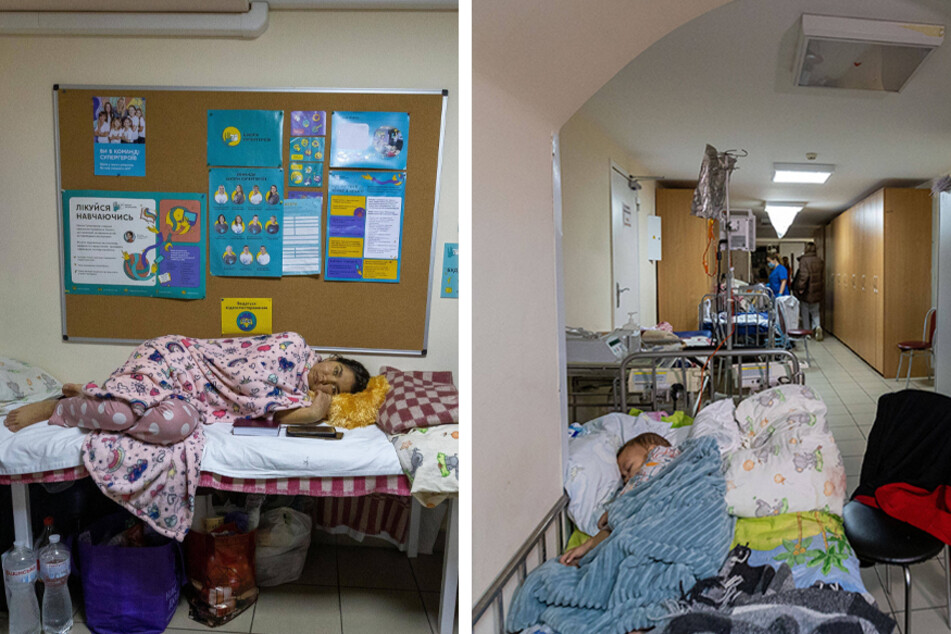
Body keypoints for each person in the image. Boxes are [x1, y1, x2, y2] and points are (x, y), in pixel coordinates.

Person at [3, 333, 371, 445]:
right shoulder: (294, 346)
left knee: (174, 427)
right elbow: (246, 382)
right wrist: (310, 411)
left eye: (335, 388)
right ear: (330, 356)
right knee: (123, 414)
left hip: (192, 398)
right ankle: (61, 407)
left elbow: (255, 409)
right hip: (177, 360)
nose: (325, 380)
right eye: (333, 370)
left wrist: (313, 409)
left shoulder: (296, 397)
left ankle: (97, 398)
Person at [559, 433, 679, 566]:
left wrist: (614, 510)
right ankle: (591, 552)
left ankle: (591, 551)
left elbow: (640, 483)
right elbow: (622, 522)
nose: (627, 479)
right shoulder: (638, 493)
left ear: (652, 449)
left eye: (628, 468)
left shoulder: (662, 456)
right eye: (624, 478)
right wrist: (590, 544)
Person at [793, 242, 825, 340]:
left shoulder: (804, 260)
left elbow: (804, 275)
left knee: (805, 311)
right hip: (817, 290)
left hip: (807, 291)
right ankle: (817, 326)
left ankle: (807, 332)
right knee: (815, 311)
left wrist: (801, 288)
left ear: (806, 249)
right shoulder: (819, 260)